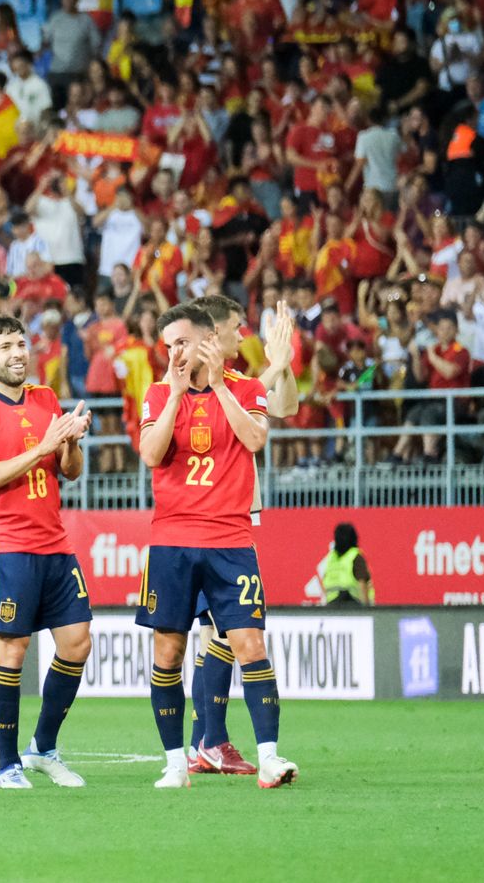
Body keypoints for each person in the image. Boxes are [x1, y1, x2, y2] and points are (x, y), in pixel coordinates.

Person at [137, 302, 296, 790]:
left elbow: (254, 439)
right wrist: (174, 396)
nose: (175, 353)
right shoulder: (160, 392)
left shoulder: (246, 388)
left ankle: (268, 757)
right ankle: (175, 763)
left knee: (250, 644)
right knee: (168, 652)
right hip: (171, 542)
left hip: (230, 541)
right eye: (169, 346)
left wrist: (222, 386)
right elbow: (150, 453)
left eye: (182, 342)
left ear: (209, 340)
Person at [0, 314, 93, 791]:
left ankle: (43, 747)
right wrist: (43, 448)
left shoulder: (46, 399)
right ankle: (7, 764)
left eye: (21, 343)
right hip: (9, 546)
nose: (18, 353)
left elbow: (70, 471)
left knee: (78, 642)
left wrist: (70, 444)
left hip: (54, 541)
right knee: (11, 654)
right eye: (6, 346)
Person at [186, 294, 298, 776]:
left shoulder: (239, 381)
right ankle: (210, 740)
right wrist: (272, 367)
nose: (243, 334)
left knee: (220, 633)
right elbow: (248, 406)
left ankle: (205, 742)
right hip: (211, 522)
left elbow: (286, 408)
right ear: (212, 334)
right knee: (228, 633)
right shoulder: (202, 384)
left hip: (236, 517)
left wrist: (283, 367)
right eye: (237, 327)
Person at [318, 522, 373, 604]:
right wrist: (366, 610)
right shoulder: (355, 556)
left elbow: (324, 583)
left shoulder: (331, 558)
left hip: (331, 606)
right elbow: (362, 584)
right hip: (351, 605)